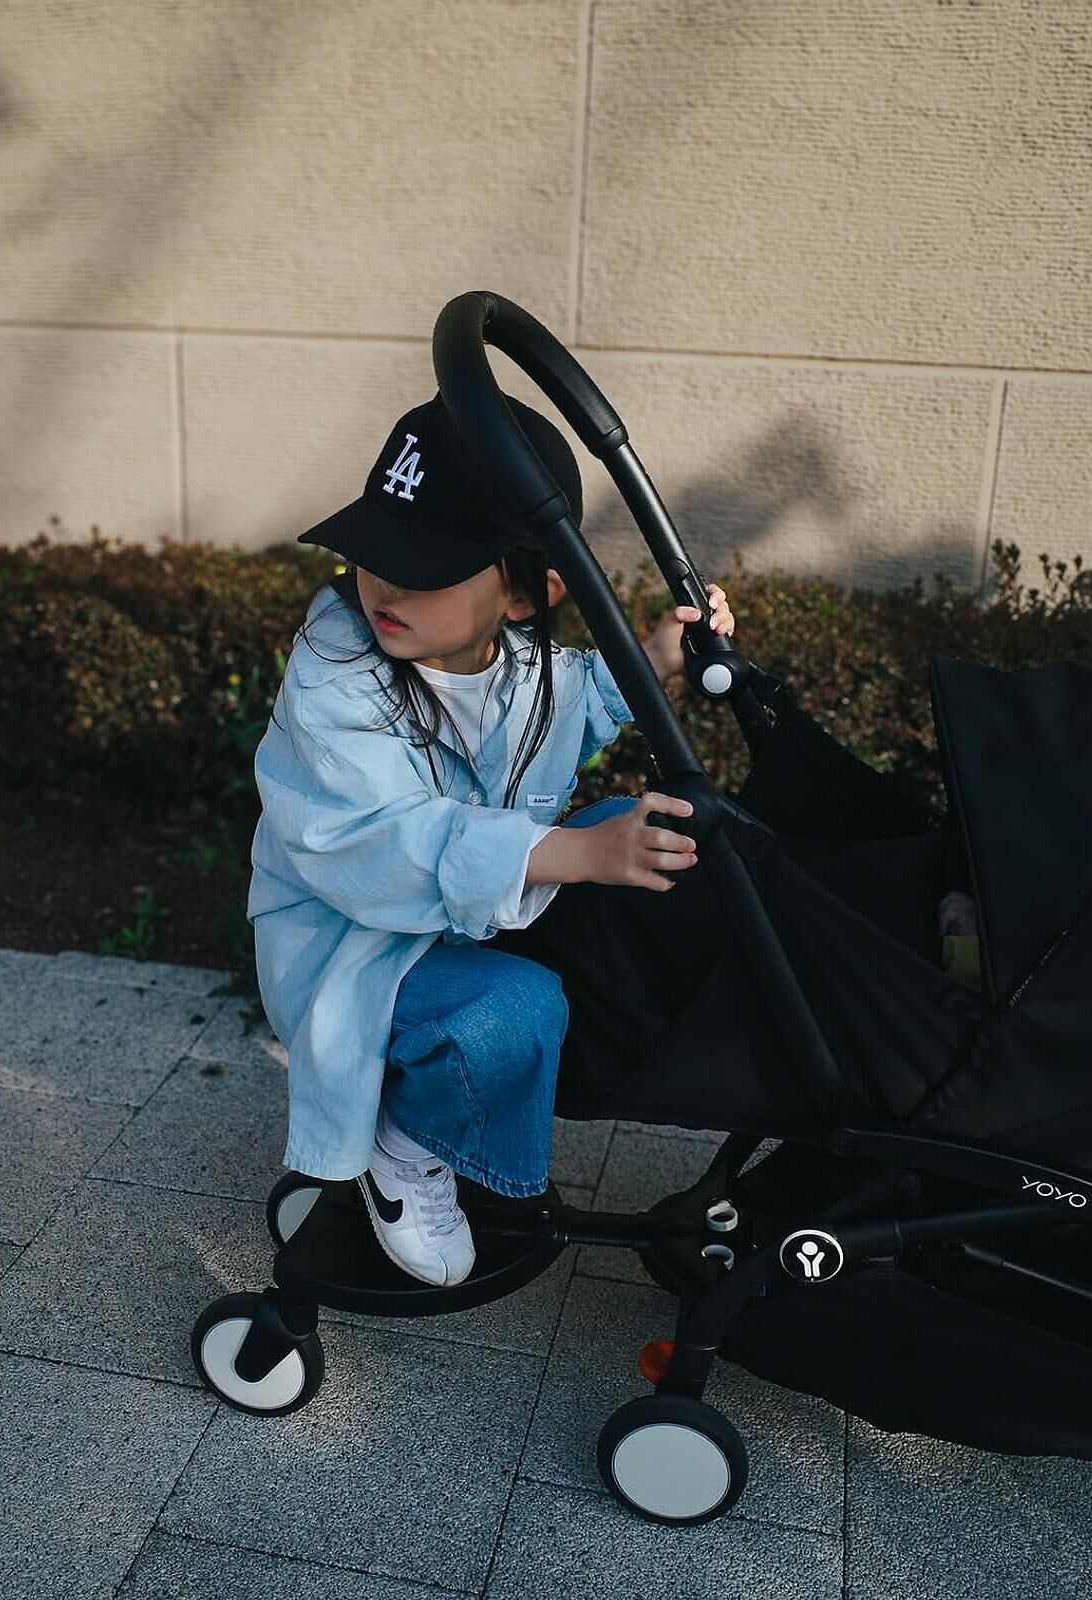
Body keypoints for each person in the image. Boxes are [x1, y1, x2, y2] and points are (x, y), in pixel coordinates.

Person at [248, 389, 735, 1288]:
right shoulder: (335, 676)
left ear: (527, 593)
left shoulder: (513, 664)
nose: (382, 587)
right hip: (353, 951)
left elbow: (571, 704)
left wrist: (658, 659)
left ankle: (469, 1092)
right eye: (373, 555)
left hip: (449, 920)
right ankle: (405, 1148)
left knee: (643, 843)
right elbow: (387, 837)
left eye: (423, 568)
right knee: (515, 1006)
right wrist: (578, 855)